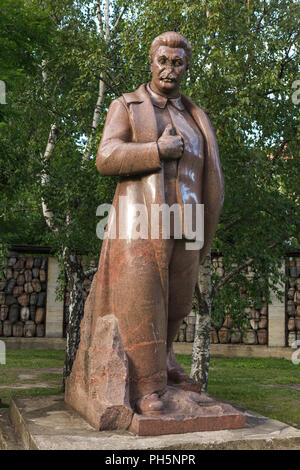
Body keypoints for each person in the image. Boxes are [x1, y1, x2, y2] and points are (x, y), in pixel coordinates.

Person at [95, 31, 224, 416]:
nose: (169, 68)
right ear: (151, 63)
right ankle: (148, 388)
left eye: (177, 62)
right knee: (144, 302)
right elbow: (106, 156)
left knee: (178, 302)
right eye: (163, 61)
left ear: (186, 67)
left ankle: (166, 364)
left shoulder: (196, 115)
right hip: (143, 221)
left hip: (188, 219)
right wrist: (156, 151)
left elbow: (209, 175)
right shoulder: (127, 106)